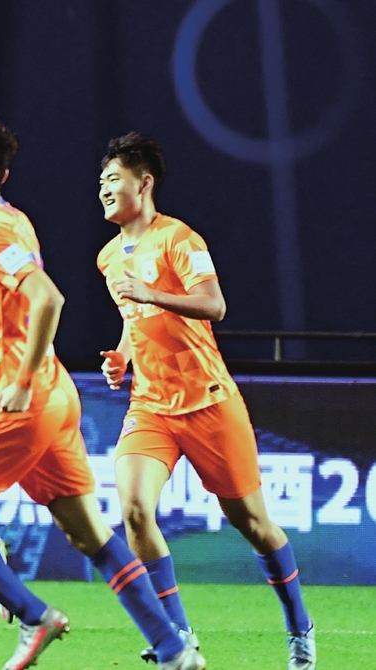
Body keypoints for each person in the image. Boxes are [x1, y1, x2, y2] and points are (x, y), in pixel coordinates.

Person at [0, 111, 205, 670]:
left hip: (22, 403)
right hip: (56, 396)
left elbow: (47, 298)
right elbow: (3, 310)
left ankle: (33, 614)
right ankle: (173, 648)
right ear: (3, 174)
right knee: (91, 536)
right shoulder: (13, 220)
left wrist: (21, 382)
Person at [95, 132, 316, 670]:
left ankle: (300, 628)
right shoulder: (107, 258)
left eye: (113, 179)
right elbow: (134, 320)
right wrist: (122, 356)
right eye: (100, 180)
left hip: (208, 402)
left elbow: (213, 304)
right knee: (133, 509)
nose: (103, 188)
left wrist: (152, 293)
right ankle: (178, 637)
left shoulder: (179, 238)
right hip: (151, 405)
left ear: (144, 184)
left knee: (253, 523)